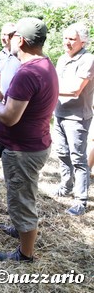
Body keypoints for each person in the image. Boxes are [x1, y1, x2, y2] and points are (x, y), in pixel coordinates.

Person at [0, 17, 59, 262]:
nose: (10, 39)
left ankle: (25, 254)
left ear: (22, 40)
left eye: (14, 35)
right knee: (22, 193)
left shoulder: (28, 72)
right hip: (32, 144)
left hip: (23, 150)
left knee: (22, 198)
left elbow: (11, 117)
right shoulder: (45, 65)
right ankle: (20, 228)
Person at [54, 22, 94, 216]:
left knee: (78, 158)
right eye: (65, 38)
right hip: (59, 113)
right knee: (62, 153)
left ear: (83, 41)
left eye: (72, 39)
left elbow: (75, 90)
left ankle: (81, 200)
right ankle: (65, 186)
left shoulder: (88, 59)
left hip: (77, 117)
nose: (67, 42)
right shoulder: (62, 59)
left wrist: (46, 89)